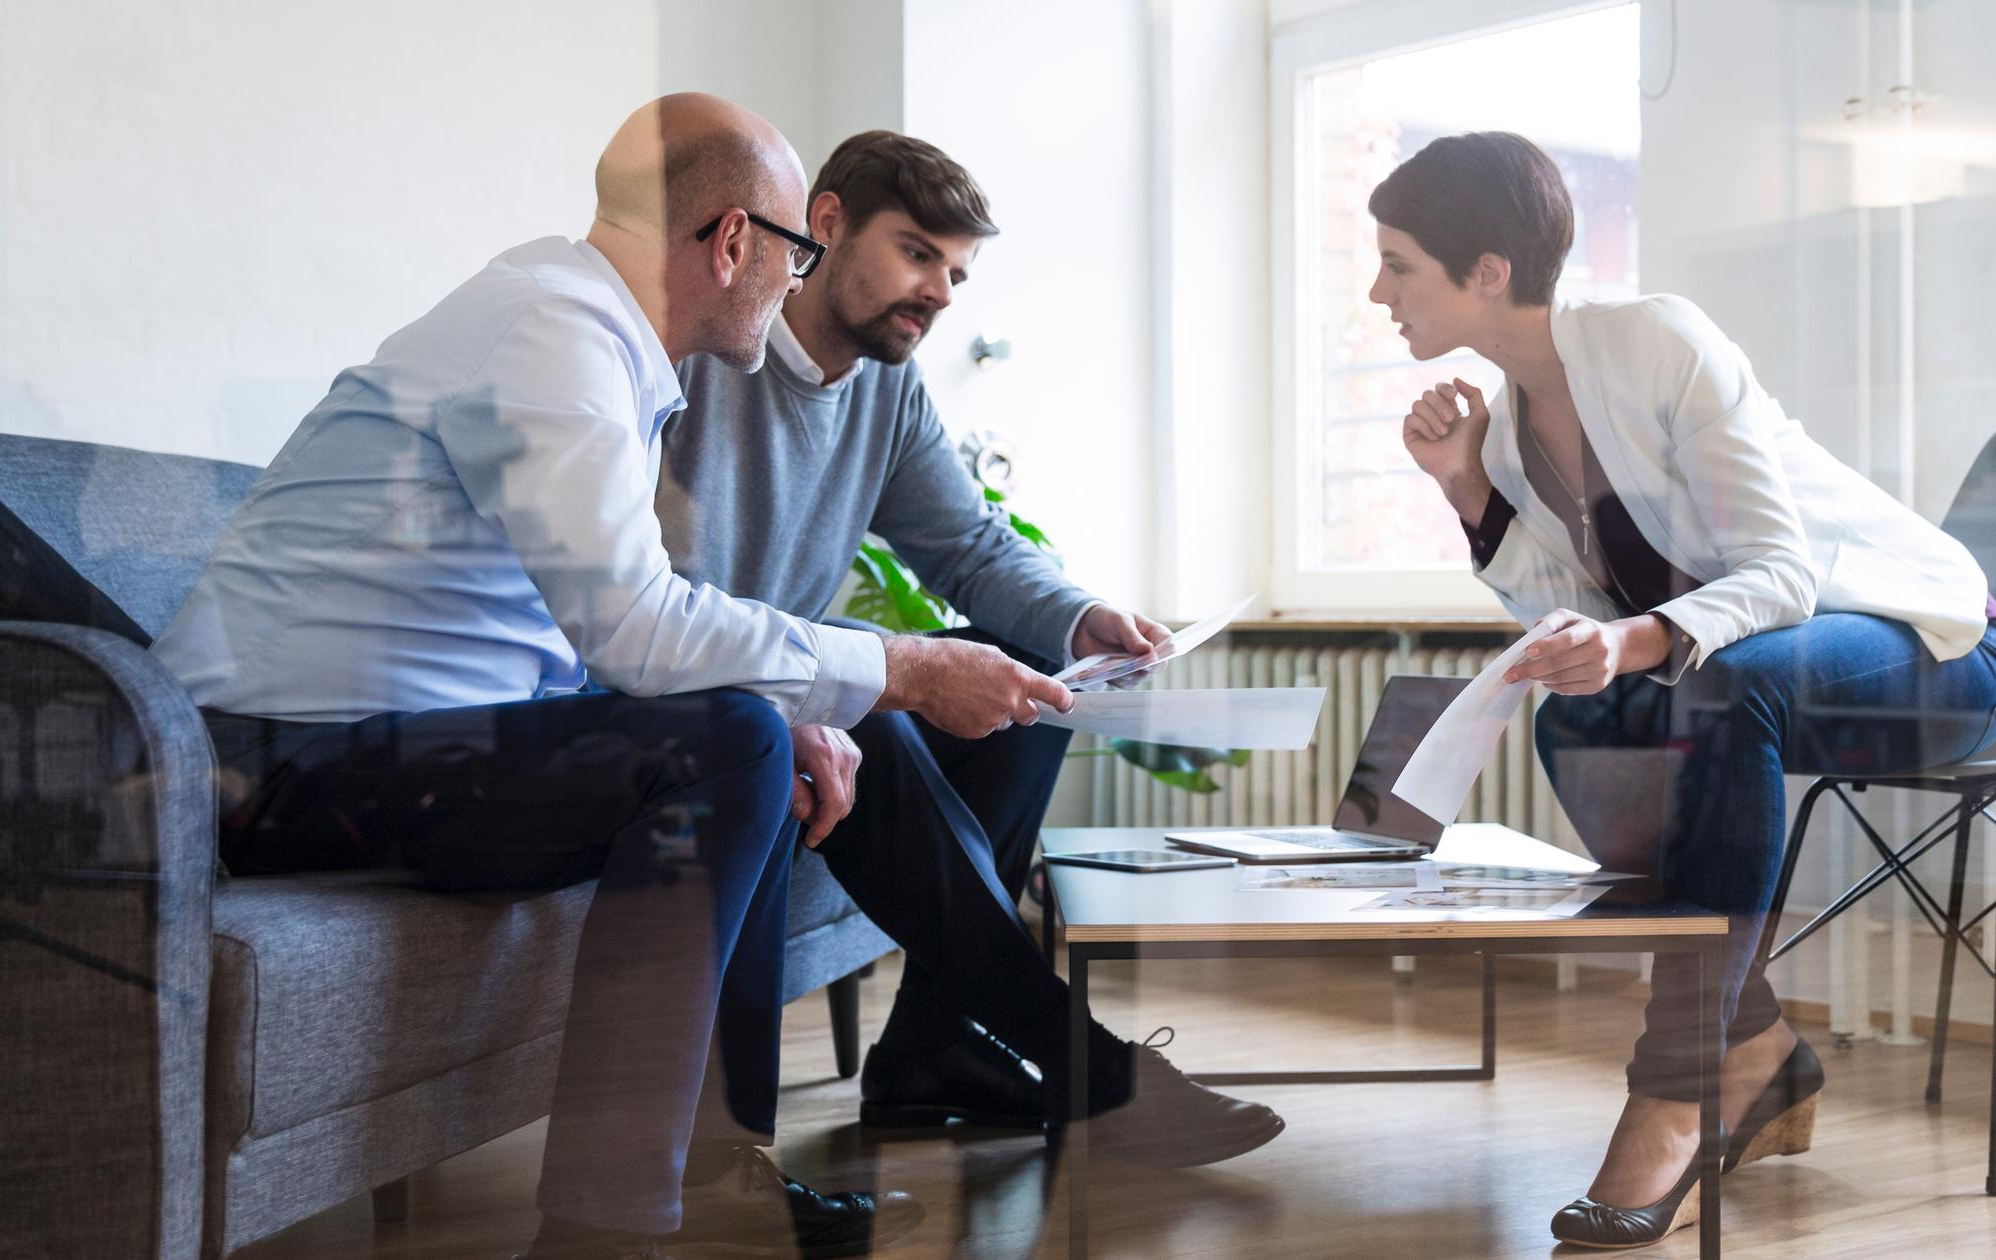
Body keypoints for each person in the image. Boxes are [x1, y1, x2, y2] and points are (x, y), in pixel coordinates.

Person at [153, 94, 1080, 1260]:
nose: (793, 279)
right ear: (732, 241)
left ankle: (697, 1179)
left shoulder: (589, 339)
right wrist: (895, 665)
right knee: (733, 740)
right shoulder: (556, 337)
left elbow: (576, 647)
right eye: (794, 249)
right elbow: (636, 628)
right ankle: (608, 1229)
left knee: (742, 734)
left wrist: (785, 704)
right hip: (265, 759)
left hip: (372, 743)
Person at [1368, 130, 1996, 1249]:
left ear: (1486, 271)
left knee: (1715, 688)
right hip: (1761, 666)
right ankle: (1755, 1043)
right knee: (1583, 700)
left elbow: (1781, 572)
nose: (1378, 292)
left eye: (1398, 263)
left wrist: (1640, 639)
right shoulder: (1509, 425)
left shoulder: (1652, 341)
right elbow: (1576, 615)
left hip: (1931, 645)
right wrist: (1467, 489)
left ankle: (1675, 1090)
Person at [659, 130, 1284, 1165]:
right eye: (915, 253)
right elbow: (645, 608)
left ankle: (930, 1050)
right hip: (704, 702)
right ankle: (1089, 1069)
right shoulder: (699, 355)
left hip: (805, 699)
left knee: (1015, 680)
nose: (938, 291)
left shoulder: (886, 392)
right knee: (878, 704)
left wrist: (1081, 622)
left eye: (954, 271)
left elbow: (968, 546)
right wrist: (821, 695)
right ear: (823, 224)